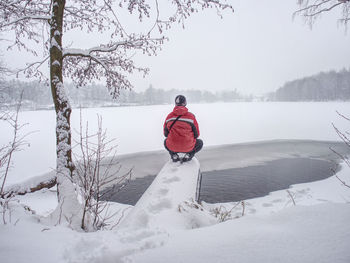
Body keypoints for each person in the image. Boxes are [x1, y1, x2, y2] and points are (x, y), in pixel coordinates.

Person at [163, 95, 203, 162]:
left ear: (175, 103)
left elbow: (165, 134)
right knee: (200, 143)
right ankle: (189, 155)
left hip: (172, 146)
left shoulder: (169, 116)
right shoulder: (191, 117)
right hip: (188, 146)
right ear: (185, 103)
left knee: (165, 142)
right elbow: (197, 135)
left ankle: (173, 155)